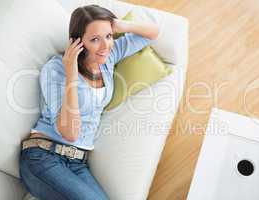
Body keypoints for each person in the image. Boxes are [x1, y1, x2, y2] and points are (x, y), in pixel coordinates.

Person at [19, 4, 159, 200]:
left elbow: (153, 33)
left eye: (108, 37)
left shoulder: (107, 58)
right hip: (42, 158)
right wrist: (71, 74)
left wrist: (120, 25)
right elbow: (70, 133)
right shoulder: (56, 70)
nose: (105, 46)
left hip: (77, 162)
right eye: (95, 39)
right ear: (78, 42)